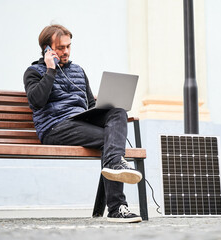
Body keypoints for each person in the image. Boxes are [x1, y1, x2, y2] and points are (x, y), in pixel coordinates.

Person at [23, 24, 143, 223]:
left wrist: (104, 109)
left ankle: (115, 171)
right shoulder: (33, 72)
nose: (66, 51)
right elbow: (36, 101)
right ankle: (117, 207)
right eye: (61, 48)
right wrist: (51, 70)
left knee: (118, 111)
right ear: (47, 49)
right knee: (111, 143)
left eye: (69, 46)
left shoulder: (78, 70)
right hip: (55, 127)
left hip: (79, 122)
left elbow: (90, 104)